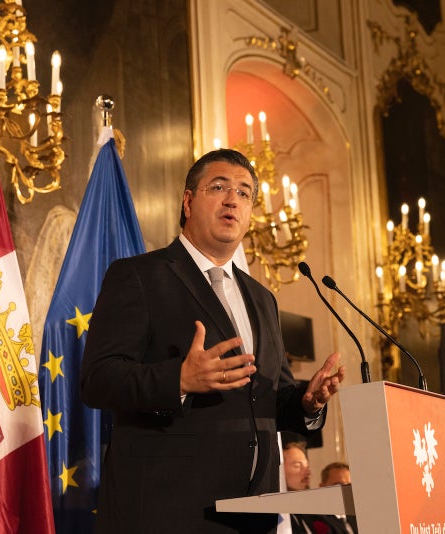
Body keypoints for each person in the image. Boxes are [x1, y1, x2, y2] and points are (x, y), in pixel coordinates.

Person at [80, 148, 345, 533]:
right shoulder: (139, 276)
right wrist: (179, 380)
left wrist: (307, 402)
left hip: (253, 515)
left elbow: (268, 398)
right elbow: (98, 380)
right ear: (188, 202)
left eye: (244, 193)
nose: (232, 200)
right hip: (168, 513)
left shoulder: (262, 298)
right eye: (219, 187)